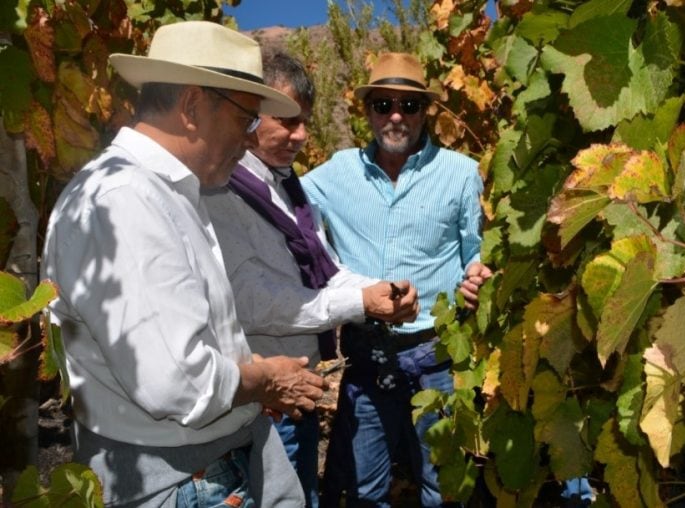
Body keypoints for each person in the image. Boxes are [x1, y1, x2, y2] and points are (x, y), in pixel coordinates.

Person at [41, 21, 327, 507]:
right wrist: (267, 378)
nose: (250, 139)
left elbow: (180, 341)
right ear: (193, 106)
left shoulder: (164, 192)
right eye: (246, 119)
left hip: (211, 465)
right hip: (188, 479)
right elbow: (179, 381)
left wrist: (249, 375)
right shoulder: (124, 201)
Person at [201, 51, 420, 508]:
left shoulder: (288, 188)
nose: (300, 136)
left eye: (305, 122)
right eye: (286, 121)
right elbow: (253, 300)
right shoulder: (221, 189)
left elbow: (327, 270)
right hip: (259, 401)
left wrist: (378, 289)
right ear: (249, 110)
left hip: (297, 393)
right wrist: (360, 304)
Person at [302, 52, 492, 507]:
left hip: (438, 357)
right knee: (366, 491)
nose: (395, 115)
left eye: (408, 106)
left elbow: (475, 253)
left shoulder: (461, 173)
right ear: (366, 110)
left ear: (425, 111)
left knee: (442, 487)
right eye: (383, 103)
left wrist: (478, 275)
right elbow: (275, 202)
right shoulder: (333, 174)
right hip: (368, 357)